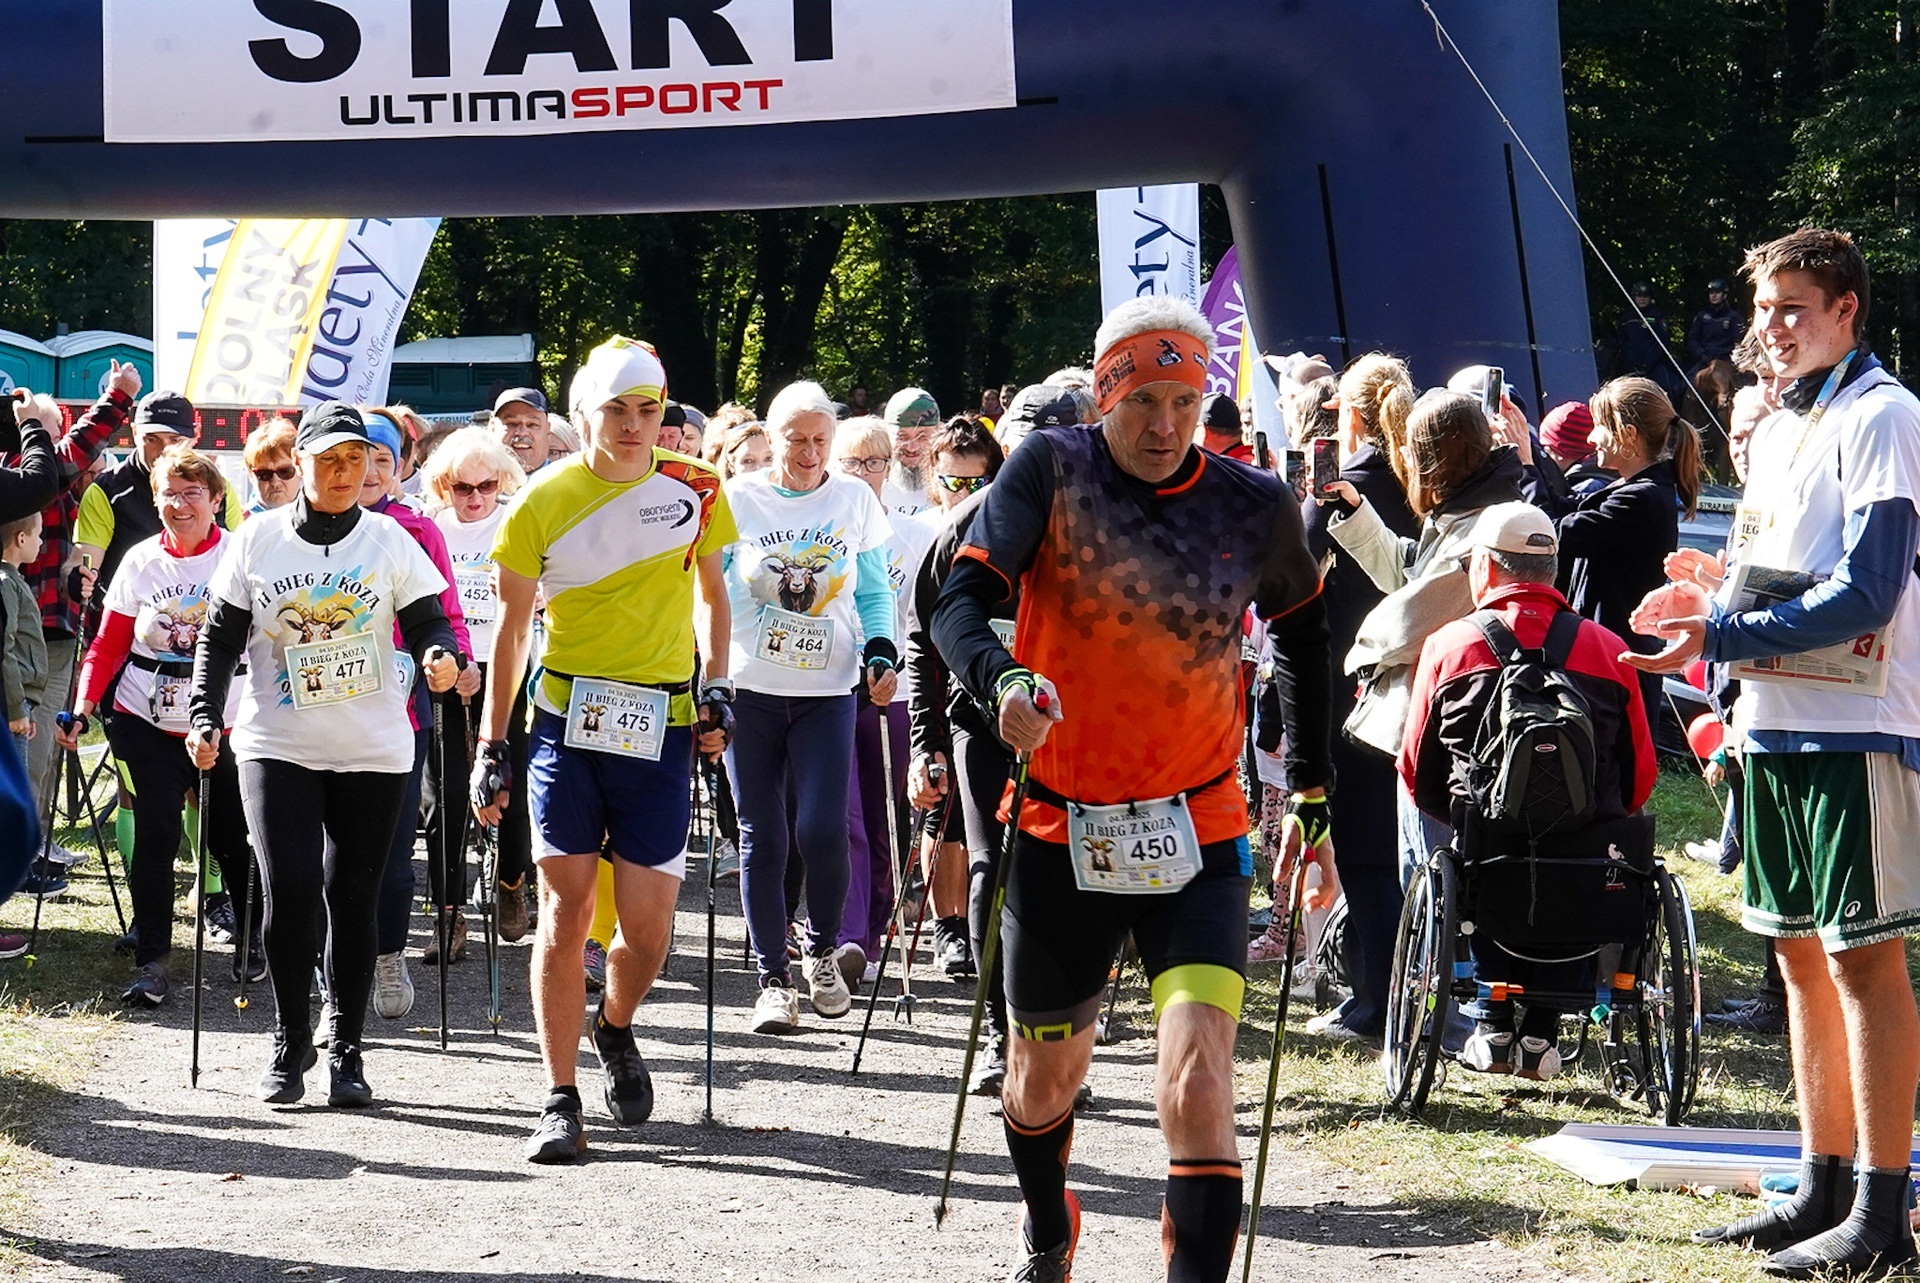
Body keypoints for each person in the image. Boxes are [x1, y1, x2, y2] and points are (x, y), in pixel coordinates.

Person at [931, 296, 1335, 1283]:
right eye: (1143, 401)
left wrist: (1313, 788)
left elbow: (1304, 635)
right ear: (1105, 396)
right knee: (1041, 1082)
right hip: (1058, 826)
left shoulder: (1253, 502)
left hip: (1199, 827)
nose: (1165, 425)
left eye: (1185, 402)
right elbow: (959, 603)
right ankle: (1049, 1220)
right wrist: (1002, 680)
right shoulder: (1050, 469)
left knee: (1198, 1076)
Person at [1628, 229, 1920, 1278]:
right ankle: (1822, 1184)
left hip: (1859, 723)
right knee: (1796, 950)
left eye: (1795, 306)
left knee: (1861, 955)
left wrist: (1720, 631)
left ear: (1847, 310)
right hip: (1774, 718)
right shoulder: (1791, 416)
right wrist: (1711, 590)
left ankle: (1882, 1211)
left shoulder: (1882, 412)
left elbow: (1868, 589)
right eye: (1764, 307)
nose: (1773, 326)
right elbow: (1791, 575)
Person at [471, 336, 736, 1164]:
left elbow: (712, 596)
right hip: (566, 722)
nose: (632, 424)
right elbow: (511, 632)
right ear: (581, 413)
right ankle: (559, 1097)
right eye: (615, 408)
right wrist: (492, 743)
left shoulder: (698, 485)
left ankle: (613, 1025)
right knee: (567, 908)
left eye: (647, 409)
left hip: (660, 723)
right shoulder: (540, 500)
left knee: (650, 932)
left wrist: (719, 685)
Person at [189, 401, 460, 1108]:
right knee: (290, 889)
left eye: (356, 459)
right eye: (329, 459)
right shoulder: (258, 539)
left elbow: (429, 622)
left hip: (372, 746)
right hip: (276, 743)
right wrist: (204, 714)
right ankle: (289, 1041)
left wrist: (441, 657)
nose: (344, 472)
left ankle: (346, 1047)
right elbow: (219, 637)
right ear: (301, 462)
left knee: (354, 897)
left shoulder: (390, 540)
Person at [1399, 502, 1654, 1079]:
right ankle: (1541, 1032)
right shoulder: (1609, 650)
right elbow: (1640, 775)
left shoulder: (1449, 646)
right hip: (1588, 859)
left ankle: (1492, 1023)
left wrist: (1461, 814)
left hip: (1486, 850)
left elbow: (1416, 770)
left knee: (1479, 868)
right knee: (1578, 868)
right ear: (1552, 571)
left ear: (1485, 567)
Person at [723, 381, 895, 1034]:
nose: (810, 452)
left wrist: (881, 649)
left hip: (828, 690)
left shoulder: (853, 498)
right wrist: (708, 671)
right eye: (796, 439)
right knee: (763, 835)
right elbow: (707, 589)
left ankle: (822, 951)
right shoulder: (739, 497)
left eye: (821, 439)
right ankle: (773, 978)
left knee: (822, 829)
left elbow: (874, 590)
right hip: (752, 689)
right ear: (772, 438)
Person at [61, 446, 258, 1006]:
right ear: (155, 501)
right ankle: (153, 960)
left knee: (231, 835)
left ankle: (252, 939)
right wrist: (82, 706)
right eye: (169, 493)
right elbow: (108, 642)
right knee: (155, 835)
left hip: (228, 720)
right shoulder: (141, 559)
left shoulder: (240, 555)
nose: (180, 504)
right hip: (144, 716)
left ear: (217, 500)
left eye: (193, 492)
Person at [1271, 354, 1418, 1049]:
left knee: (1362, 852)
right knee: (1391, 848)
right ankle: (1378, 989)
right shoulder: (1421, 481)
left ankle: (1377, 999)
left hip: (1344, 680)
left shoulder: (1339, 487)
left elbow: (1288, 580)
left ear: (1345, 414)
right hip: (1413, 678)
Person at [1320, 390, 1525, 886]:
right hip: (1447, 717)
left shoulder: (1483, 523)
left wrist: (1359, 654)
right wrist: (1356, 511)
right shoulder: (1471, 508)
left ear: (1433, 459)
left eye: (1410, 453)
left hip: (1453, 726)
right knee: (1426, 873)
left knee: (1430, 874)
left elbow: (1415, 613)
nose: (1404, 462)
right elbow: (1412, 573)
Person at [360, 410, 474, 1020]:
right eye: (356, 457)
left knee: (393, 848)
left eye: (382, 458)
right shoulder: (294, 531)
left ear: (402, 466)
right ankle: (332, 968)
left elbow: (446, 613)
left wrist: (454, 659)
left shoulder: (416, 530)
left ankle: (387, 955)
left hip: (402, 714)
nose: (368, 470)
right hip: (317, 717)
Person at [15, 362, 140, 854]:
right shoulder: (25, 473)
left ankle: (38, 838)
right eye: (43, 435)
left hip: (56, 625)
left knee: (47, 737)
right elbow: (73, 454)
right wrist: (117, 396)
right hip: (32, 627)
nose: (49, 447)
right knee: (32, 736)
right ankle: (24, 845)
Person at [421, 428, 531, 947]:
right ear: (444, 486)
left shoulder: (518, 521)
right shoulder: (432, 528)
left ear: (500, 483)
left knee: (509, 782)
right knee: (444, 793)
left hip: (508, 663)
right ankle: (449, 910)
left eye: (486, 486)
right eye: (462, 488)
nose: (474, 498)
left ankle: (511, 880)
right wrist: (456, 661)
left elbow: (549, 592)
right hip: (447, 665)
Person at [907, 419, 1006, 981]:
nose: (966, 494)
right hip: (946, 693)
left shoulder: (1013, 528)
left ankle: (988, 931)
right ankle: (948, 928)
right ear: (934, 482)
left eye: (978, 482)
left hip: (1000, 697)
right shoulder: (931, 539)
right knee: (940, 810)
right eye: (954, 482)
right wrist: (924, 740)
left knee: (986, 831)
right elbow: (919, 642)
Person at [831, 416, 931, 970]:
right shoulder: (821, 526)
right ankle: (845, 935)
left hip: (894, 691)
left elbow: (918, 618)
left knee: (882, 815)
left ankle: (873, 933)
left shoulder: (911, 535)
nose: (863, 473)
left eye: (874, 462)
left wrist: (894, 666)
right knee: (841, 814)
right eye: (852, 461)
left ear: (889, 468)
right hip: (828, 686)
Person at [1558, 377, 1703, 719]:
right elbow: (1564, 507)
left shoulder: (1640, 498)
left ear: (1628, 436)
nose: (1591, 438)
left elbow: (1557, 532)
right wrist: (1527, 457)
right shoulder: (1638, 489)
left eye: (1599, 426)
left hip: (1614, 666)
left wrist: (1526, 466)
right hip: (1609, 662)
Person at [2, 514, 47, 774]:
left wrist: (26, 708)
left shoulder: (15, 580)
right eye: (38, 535)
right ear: (21, 539)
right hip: (10, 708)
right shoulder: (6, 584)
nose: (41, 542)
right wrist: (16, 708)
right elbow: (4, 649)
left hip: (19, 704)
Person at [880, 388, 940, 516]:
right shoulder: (872, 484)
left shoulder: (952, 485)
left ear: (938, 432)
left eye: (922, 437)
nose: (912, 448)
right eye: (902, 437)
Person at [1539, 402, 1612, 498]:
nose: (1543, 454)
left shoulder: (1583, 491)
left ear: (1560, 452)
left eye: (1545, 447)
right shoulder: (1609, 472)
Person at [244, 418, 301, 513]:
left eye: (285, 472)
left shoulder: (322, 518)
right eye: (264, 474)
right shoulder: (237, 521)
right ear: (250, 475)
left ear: (301, 469)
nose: (275, 482)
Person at [492, 387, 552, 475]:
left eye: (532, 424)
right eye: (512, 423)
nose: (522, 432)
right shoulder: (473, 480)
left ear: (548, 429)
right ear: (492, 428)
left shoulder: (567, 481)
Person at [1688, 279, 1741, 370]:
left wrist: (1734, 357)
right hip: (1705, 360)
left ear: (1724, 295)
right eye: (1711, 293)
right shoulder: (1701, 316)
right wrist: (1701, 354)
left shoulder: (1733, 317)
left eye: (1717, 292)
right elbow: (1692, 339)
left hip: (1727, 360)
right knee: (1685, 379)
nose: (1714, 296)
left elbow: (1738, 340)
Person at [1198, 393, 1255, 463]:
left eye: (1193, 429)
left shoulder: (1226, 467)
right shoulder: (1255, 459)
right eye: (1246, 423)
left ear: (1203, 431)